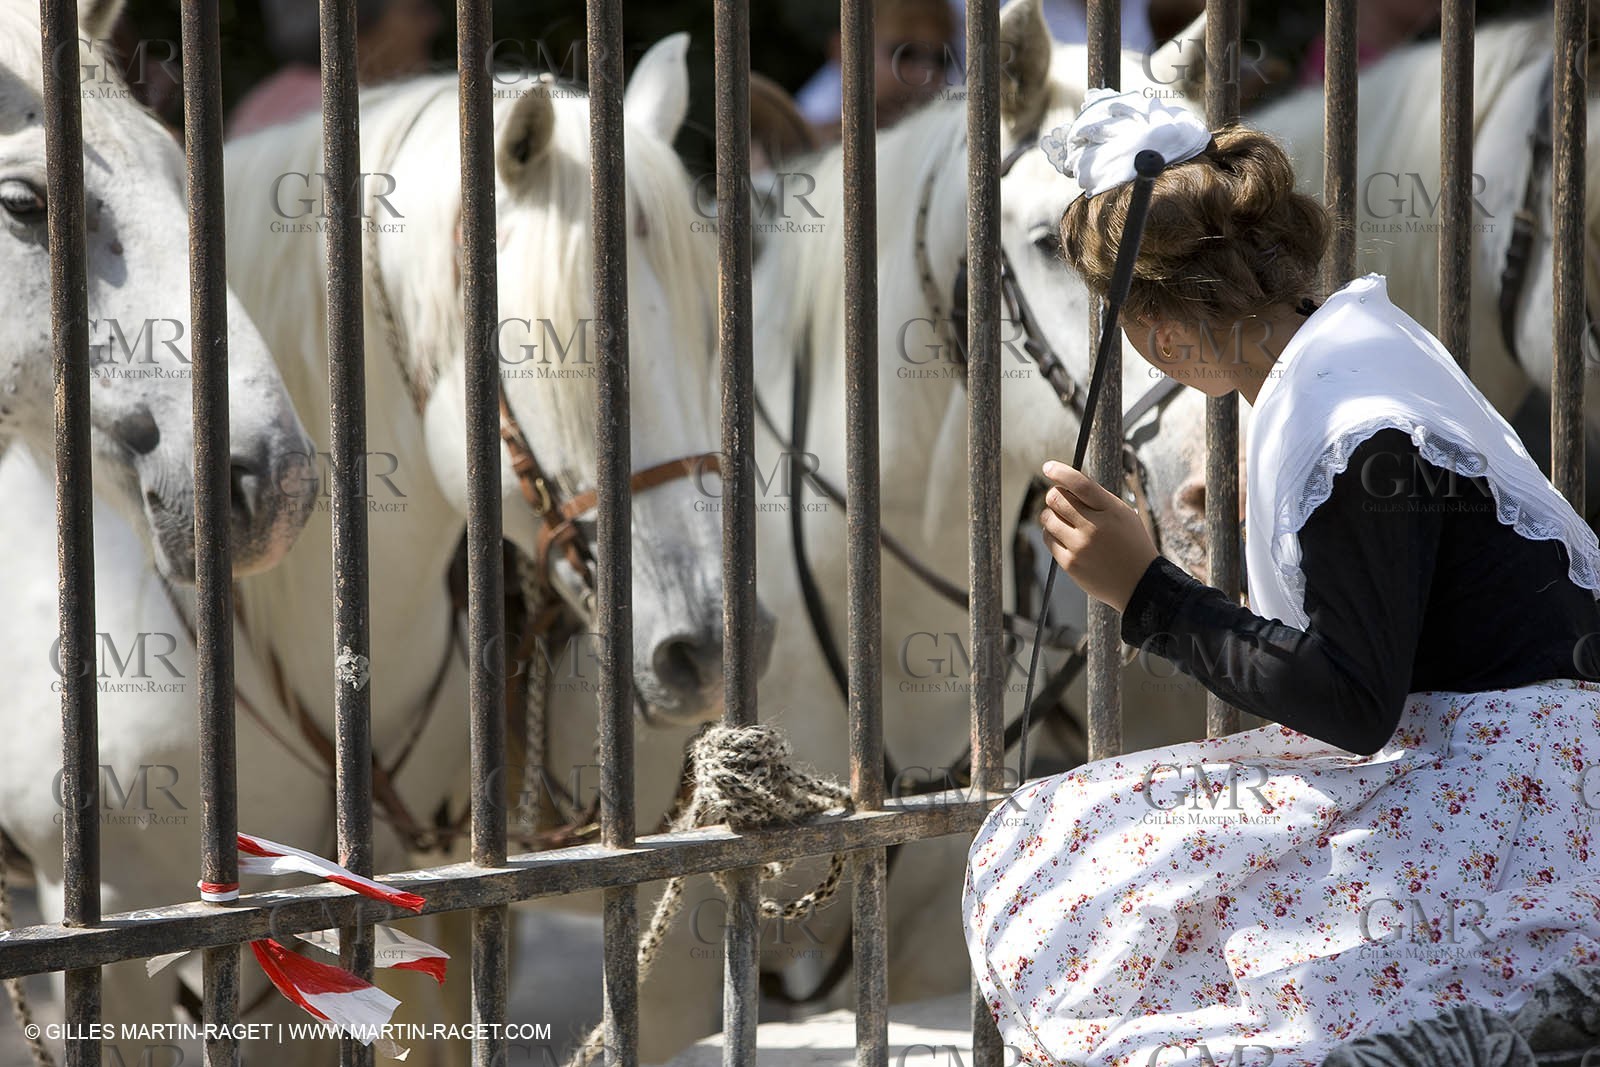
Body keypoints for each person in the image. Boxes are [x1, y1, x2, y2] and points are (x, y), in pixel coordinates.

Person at [962, 88, 1600, 1066]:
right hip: (1521, 767)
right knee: (1082, 831)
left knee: (1075, 860)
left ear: (1156, 335)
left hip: (1526, 817)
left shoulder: (1350, 424)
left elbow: (1352, 701)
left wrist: (1146, 592)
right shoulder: (1354, 355)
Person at [228, 0, 440, 139]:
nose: (432, 24)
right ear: (355, 26)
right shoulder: (357, 114)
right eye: (417, 11)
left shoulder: (258, 105)